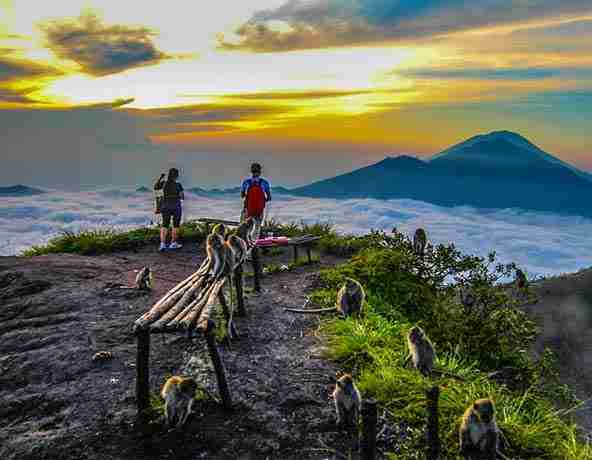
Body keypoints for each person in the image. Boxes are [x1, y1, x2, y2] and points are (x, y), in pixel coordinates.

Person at [154, 168, 184, 251]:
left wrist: (160, 178)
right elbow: (182, 197)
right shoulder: (178, 185)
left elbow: (155, 187)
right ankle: (173, 243)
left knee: (165, 225)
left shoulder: (164, 183)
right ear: (176, 176)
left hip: (165, 206)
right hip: (176, 207)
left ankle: (162, 244)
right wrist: (177, 195)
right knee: (176, 225)